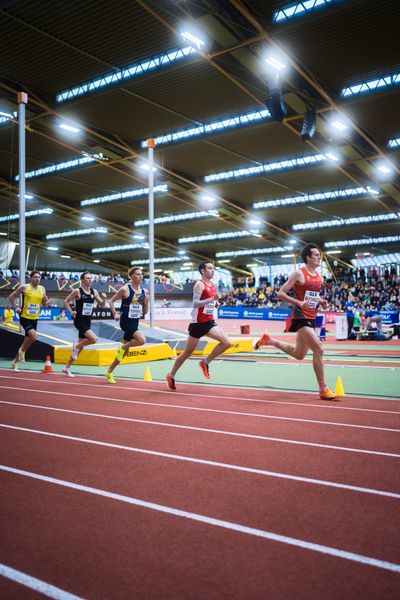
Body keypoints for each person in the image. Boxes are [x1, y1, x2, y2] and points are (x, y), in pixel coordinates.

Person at [254, 243, 339, 401]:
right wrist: (297, 303)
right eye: (316, 255)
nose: (319, 257)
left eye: (319, 255)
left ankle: (269, 340)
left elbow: (311, 295)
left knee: (299, 354)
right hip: (300, 316)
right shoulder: (298, 274)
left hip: (311, 316)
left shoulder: (318, 275)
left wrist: (321, 301)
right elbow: (280, 293)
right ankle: (323, 389)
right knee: (318, 349)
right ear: (308, 257)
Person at [166, 261, 231, 391]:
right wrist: (211, 300)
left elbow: (212, 301)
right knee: (187, 353)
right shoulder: (199, 285)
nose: (213, 271)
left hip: (209, 322)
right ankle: (171, 375)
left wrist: (216, 303)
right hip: (197, 324)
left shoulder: (213, 285)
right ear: (203, 271)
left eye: (213, 269)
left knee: (227, 342)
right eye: (210, 268)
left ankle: (205, 362)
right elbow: (195, 304)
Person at [104, 266, 149, 384]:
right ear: (132, 276)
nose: (141, 276)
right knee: (142, 340)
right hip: (125, 321)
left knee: (124, 353)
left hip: (135, 322)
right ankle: (122, 347)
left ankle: (109, 371)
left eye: (141, 274)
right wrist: (115, 314)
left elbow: (145, 312)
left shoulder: (144, 291)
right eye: (138, 274)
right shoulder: (125, 289)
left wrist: (147, 301)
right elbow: (111, 301)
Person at [63, 271, 106, 377]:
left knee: (79, 349)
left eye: (91, 278)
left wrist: (104, 298)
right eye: (87, 278)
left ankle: (66, 367)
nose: (90, 280)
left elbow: (101, 306)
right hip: (79, 320)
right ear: (82, 280)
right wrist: (71, 311)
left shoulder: (94, 291)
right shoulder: (78, 291)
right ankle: (75, 346)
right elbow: (66, 301)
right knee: (93, 339)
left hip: (88, 321)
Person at [8, 270, 51, 371]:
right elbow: (11, 297)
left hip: (34, 318)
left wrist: (46, 301)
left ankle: (15, 362)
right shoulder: (24, 287)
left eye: (39, 277)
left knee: (27, 340)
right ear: (31, 278)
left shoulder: (42, 289)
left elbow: (44, 305)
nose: (37, 279)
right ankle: (22, 351)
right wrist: (16, 307)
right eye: (35, 277)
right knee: (34, 337)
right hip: (24, 317)